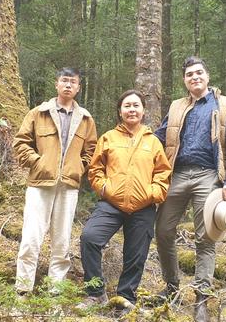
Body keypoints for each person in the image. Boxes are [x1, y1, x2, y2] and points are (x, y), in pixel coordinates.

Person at [154, 56, 226, 322]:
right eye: (190, 74)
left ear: (207, 76)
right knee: (163, 230)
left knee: (206, 237)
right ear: (184, 80)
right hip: (177, 174)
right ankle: (171, 288)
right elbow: (159, 136)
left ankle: (202, 298)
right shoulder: (177, 106)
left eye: (199, 73)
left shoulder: (224, 106)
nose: (195, 77)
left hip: (208, 177)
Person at [78, 90, 171, 311]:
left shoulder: (153, 141)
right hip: (111, 203)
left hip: (144, 206)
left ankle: (125, 298)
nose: (132, 109)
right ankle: (95, 293)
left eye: (136, 105)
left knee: (136, 254)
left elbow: (163, 173)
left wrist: (153, 193)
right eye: (127, 106)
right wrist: (104, 187)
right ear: (120, 111)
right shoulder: (109, 137)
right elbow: (95, 169)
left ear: (143, 111)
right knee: (89, 237)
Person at [12, 67, 98, 294]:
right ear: (57, 84)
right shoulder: (38, 113)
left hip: (68, 187)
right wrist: (37, 162)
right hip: (40, 184)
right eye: (64, 81)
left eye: (73, 82)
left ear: (78, 88)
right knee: (31, 240)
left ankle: (54, 294)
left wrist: (79, 167)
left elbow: (91, 150)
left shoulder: (86, 119)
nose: (68, 85)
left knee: (61, 244)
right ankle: (22, 293)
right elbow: (21, 142)